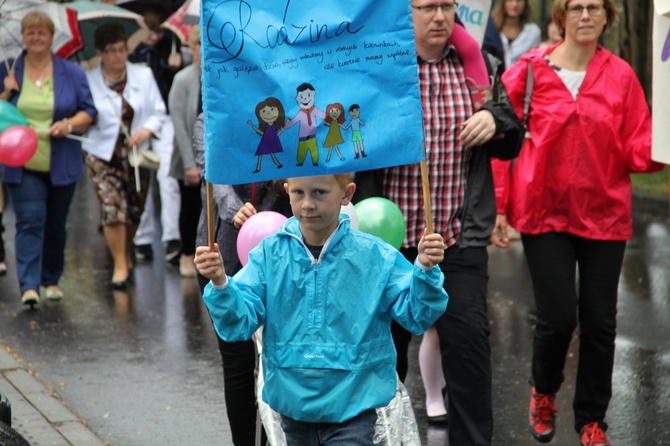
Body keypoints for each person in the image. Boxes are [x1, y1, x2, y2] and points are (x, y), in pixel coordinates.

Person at [493, 1, 665, 445]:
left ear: (608, 17)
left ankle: (591, 419)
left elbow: (635, 150)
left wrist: (663, 145)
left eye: (594, 7)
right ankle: (544, 391)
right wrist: (498, 207)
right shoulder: (528, 73)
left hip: (604, 214)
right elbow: (500, 142)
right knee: (557, 318)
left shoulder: (622, 77)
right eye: (576, 7)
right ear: (561, 17)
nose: (585, 14)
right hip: (543, 212)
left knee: (600, 322)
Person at [356, 1, 524, 444]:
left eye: (447, 5)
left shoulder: (479, 65)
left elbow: (511, 138)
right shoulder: (379, 65)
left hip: (456, 240)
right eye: (426, 6)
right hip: (388, 244)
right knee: (384, 359)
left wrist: (495, 118)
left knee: (468, 355)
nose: (439, 16)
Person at [195, 172, 449, 445]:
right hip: (294, 410)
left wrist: (424, 269)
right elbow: (238, 323)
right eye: (299, 193)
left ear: (346, 194)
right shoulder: (269, 255)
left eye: (319, 193)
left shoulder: (376, 256)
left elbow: (416, 313)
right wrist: (221, 282)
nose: (307, 204)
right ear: (286, 190)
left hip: (354, 409)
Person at [192, 113, 292, 445]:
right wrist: (233, 207)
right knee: (237, 364)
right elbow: (211, 170)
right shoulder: (211, 118)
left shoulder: (286, 111)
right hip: (222, 255)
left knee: (279, 359)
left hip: (280, 252)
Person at [0, 12, 97, 306]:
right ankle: (29, 286)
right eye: (31, 33)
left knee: (56, 224)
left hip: (62, 162)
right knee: (29, 221)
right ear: (23, 36)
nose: (36, 38)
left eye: (42, 32)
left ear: (52, 37)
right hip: (21, 162)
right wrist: (6, 91)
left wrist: (67, 125)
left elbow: (89, 112)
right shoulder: (7, 69)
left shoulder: (72, 72)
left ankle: (51, 278)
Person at [83, 23, 166, 289]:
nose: (118, 56)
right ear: (100, 53)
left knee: (133, 209)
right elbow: (84, 112)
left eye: (122, 50)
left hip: (136, 154)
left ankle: (125, 251)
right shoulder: (89, 80)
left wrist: (145, 132)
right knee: (111, 208)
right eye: (111, 51)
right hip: (102, 154)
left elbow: (158, 111)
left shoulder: (142, 75)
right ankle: (119, 264)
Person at [130, 4, 182, 265]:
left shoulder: (171, 48)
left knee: (168, 178)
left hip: (167, 119)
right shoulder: (135, 55)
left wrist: (175, 65)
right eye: (150, 31)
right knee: (142, 179)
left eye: (159, 30)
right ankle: (142, 237)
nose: (155, 37)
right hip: (141, 121)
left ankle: (171, 237)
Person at [168, 25, 202, 277]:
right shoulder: (182, 79)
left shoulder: (222, 77)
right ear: (191, 48)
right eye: (198, 44)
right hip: (188, 155)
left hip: (213, 156)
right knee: (189, 206)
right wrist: (190, 164)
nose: (202, 50)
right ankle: (187, 252)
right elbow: (179, 124)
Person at [491, 0, 542, 68]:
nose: (515, 4)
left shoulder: (533, 32)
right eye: (510, 0)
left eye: (519, 0)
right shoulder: (491, 28)